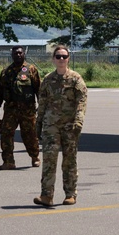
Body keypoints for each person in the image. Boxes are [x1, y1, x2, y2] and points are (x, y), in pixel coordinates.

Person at [34, 45, 87, 208]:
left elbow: (82, 101)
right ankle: (46, 195)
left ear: (68, 59)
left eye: (64, 56)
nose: (61, 59)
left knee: (69, 160)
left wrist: (78, 120)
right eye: (58, 56)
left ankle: (70, 194)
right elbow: (42, 103)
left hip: (70, 126)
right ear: (53, 59)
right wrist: (38, 123)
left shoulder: (75, 79)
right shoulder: (48, 80)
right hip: (51, 126)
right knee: (49, 159)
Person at [0, 46, 41, 170]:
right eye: (16, 53)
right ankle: (8, 161)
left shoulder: (31, 69)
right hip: (10, 110)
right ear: (12, 55)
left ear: (24, 54)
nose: (18, 55)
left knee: (30, 135)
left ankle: (35, 157)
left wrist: (42, 106)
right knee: (6, 134)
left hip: (28, 110)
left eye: (20, 53)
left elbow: (38, 89)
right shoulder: (6, 72)